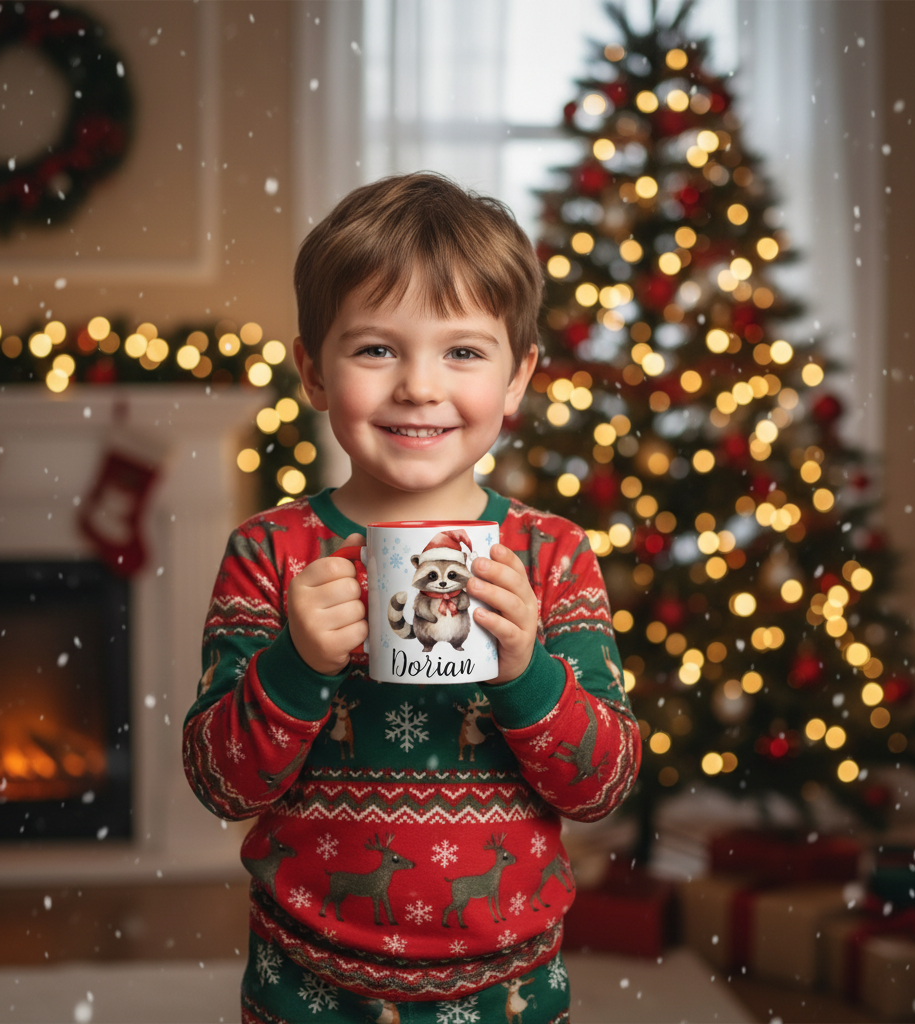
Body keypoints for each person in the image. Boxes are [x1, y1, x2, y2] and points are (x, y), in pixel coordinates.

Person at [184, 172, 642, 1023]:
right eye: (375, 349)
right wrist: (296, 664)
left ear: (517, 379)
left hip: (511, 990)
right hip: (306, 984)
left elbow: (603, 784)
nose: (419, 386)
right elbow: (220, 783)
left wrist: (525, 672)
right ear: (314, 373)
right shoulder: (269, 552)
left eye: (463, 351)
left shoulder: (552, 555)